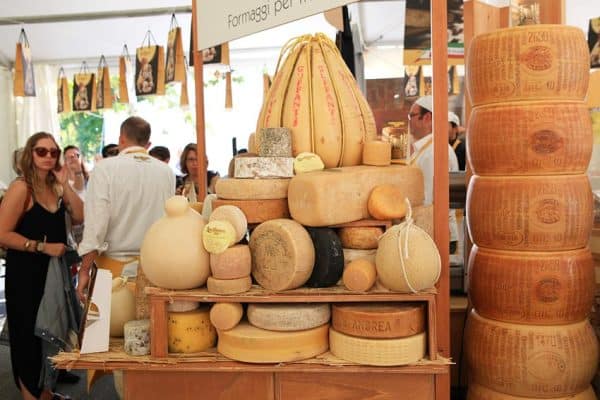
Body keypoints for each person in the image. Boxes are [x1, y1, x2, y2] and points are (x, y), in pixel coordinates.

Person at [0, 132, 84, 400]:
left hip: (53, 275)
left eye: (53, 152)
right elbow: (2, 233)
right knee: (28, 339)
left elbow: (80, 216)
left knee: (50, 335)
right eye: (41, 151)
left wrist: (65, 183)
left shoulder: (56, 187)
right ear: (30, 154)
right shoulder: (21, 188)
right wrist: (41, 246)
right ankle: (31, 395)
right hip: (25, 275)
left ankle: (46, 392)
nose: (48, 156)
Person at [77, 116, 175, 302]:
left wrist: (84, 270)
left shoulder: (105, 168)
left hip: (112, 274)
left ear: (121, 138)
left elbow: (96, 225)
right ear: (148, 142)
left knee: (112, 329)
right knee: (152, 328)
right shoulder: (166, 172)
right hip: (155, 270)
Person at [408, 96, 459, 253]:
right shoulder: (427, 149)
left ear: (427, 118)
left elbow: (429, 199)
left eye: (411, 116)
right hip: (427, 231)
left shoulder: (434, 152)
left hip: (435, 234)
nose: (408, 121)